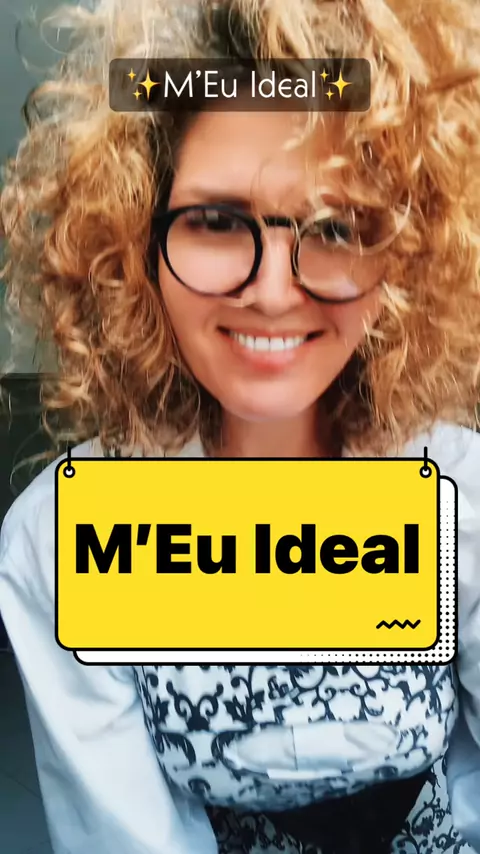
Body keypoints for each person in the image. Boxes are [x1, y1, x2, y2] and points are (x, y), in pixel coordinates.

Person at [1, 0, 480, 851]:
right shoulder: (62, 542)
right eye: (218, 221)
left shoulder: (462, 499)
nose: (272, 292)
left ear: (399, 260)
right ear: (138, 242)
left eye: (334, 227)